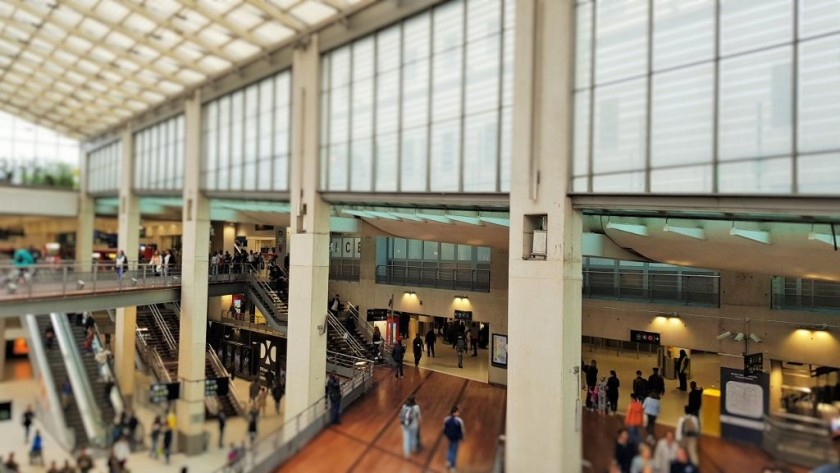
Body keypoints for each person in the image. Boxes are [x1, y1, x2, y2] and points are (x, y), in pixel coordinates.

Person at [443, 406, 465, 473]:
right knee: (454, 451)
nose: (458, 413)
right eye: (457, 412)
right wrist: (462, 437)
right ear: (455, 412)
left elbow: (444, 428)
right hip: (455, 437)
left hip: (449, 436)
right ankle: (452, 466)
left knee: (450, 447)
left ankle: (448, 461)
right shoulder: (459, 421)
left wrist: (445, 434)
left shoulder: (446, 419)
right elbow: (462, 430)